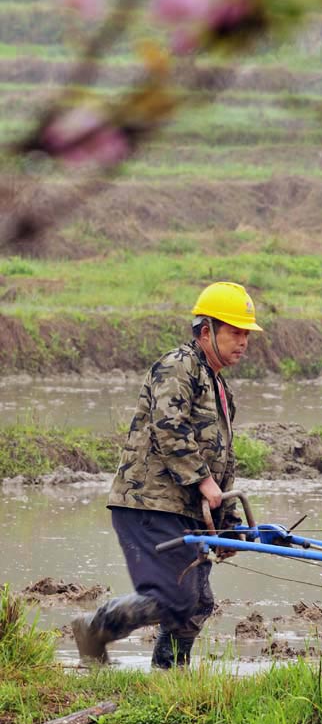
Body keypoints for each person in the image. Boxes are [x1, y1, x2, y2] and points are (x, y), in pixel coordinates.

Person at [71, 281, 263, 668]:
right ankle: (94, 629)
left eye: (246, 334)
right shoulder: (179, 366)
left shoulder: (218, 386)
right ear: (206, 330)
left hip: (185, 509)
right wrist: (202, 480)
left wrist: (227, 523)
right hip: (149, 502)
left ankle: (169, 674)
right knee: (173, 597)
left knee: (197, 603)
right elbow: (169, 428)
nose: (243, 342)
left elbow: (221, 463)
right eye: (235, 332)